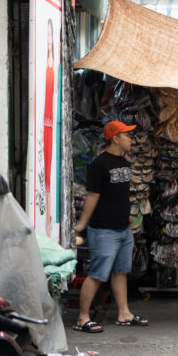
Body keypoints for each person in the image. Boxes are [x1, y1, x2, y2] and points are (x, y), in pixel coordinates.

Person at [74, 120, 149, 332]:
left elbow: (121, 196)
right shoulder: (98, 165)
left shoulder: (125, 164)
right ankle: (82, 318)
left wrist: (128, 222)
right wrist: (82, 224)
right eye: (127, 135)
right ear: (115, 138)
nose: (130, 139)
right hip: (103, 229)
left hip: (123, 228)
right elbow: (92, 196)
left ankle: (124, 313)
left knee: (121, 271)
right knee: (98, 274)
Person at [43, 19, 55, 237]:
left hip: (51, 123)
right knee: (44, 174)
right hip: (45, 122)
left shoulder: (54, 64)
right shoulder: (45, 63)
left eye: (50, 35)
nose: (49, 39)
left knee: (49, 174)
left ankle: (48, 223)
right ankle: (45, 225)